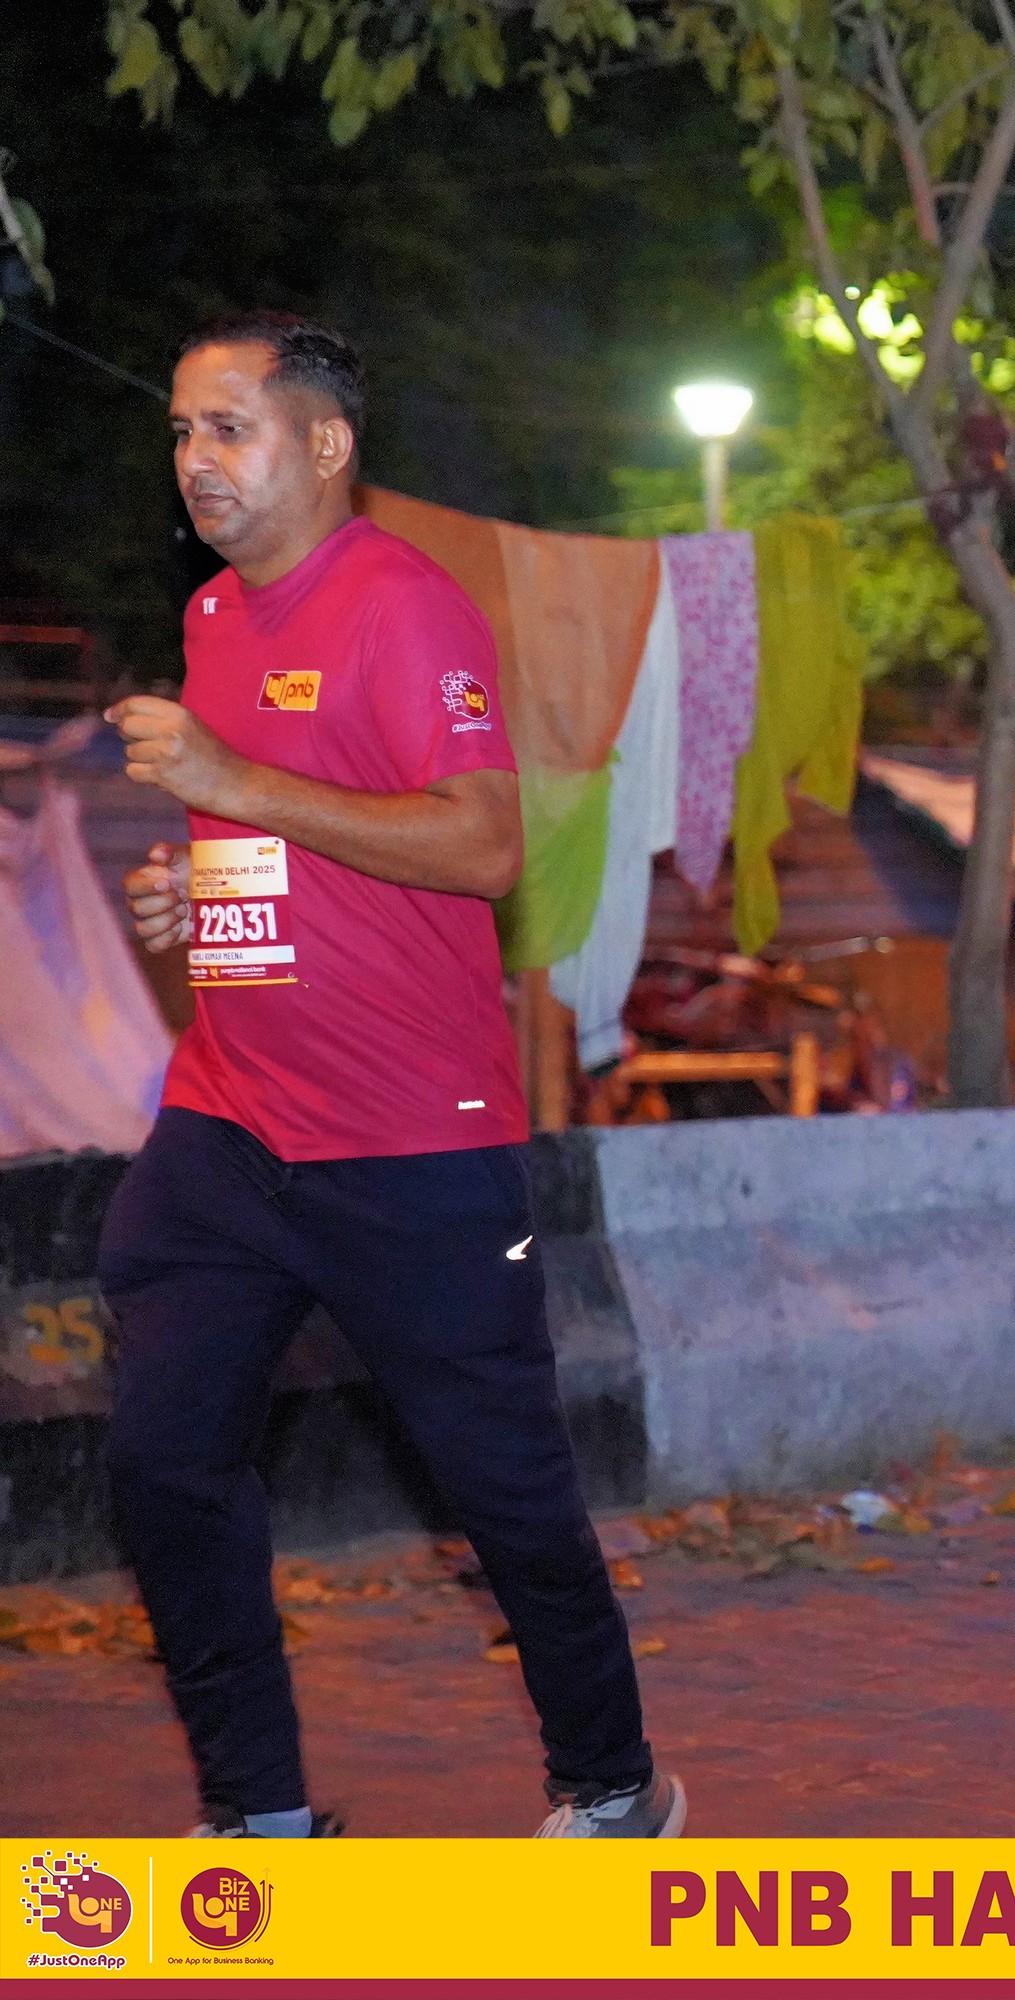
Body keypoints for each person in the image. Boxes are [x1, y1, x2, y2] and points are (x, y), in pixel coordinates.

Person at [101, 309, 685, 1839]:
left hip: (412, 1140)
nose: (196, 460)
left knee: (503, 1492)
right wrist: (202, 890)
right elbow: (288, 832)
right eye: (181, 430)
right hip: (228, 1122)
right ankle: (259, 1820)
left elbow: (483, 844)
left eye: (229, 427)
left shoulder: (405, 607)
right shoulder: (216, 616)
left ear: (325, 444)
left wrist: (229, 781)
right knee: (163, 1463)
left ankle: (615, 1786)